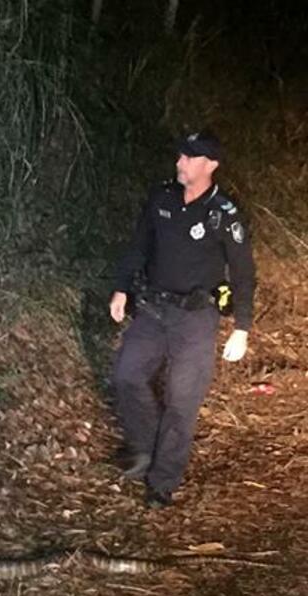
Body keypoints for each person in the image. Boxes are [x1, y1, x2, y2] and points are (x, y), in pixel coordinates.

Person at [109, 130, 256, 509]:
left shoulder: (224, 214)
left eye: (189, 157)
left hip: (196, 319)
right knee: (127, 375)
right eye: (180, 155)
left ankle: (163, 480)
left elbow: (243, 272)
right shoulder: (162, 198)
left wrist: (241, 327)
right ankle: (146, 446)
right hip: (154, 308)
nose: (180, 162)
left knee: (181, 400)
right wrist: (121, 288)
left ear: (211, 165)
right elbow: (139, 245)